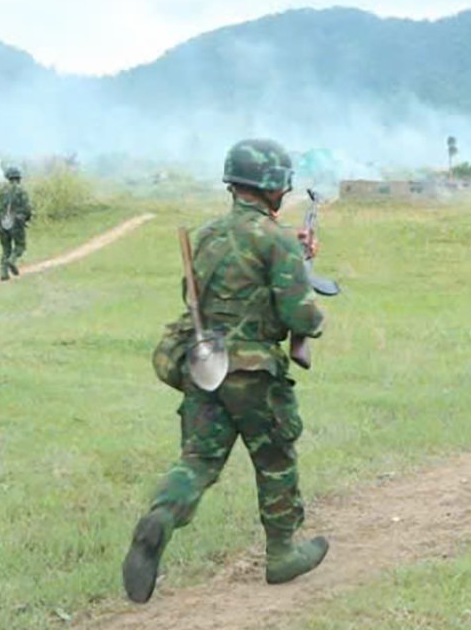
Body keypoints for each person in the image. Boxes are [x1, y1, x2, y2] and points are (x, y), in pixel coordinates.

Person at [123, 138, 330, 604]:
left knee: (197, 462)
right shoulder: (277, 241)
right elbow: (299, 315)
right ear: (275, 186)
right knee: (275, 461)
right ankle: (281, 554)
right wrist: (318, 319)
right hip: (255, 373)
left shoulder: (209, 236)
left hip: (206, 364)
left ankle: (160, 516)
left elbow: (191, 295)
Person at [0, 166, 33, 280]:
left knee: (6, 249)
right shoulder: (21, 190)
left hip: (2, 221)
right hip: (17, 222)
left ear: (8, 177)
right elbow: (27, 208)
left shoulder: (2, 191)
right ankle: (12, 260)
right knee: (20, 246)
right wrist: (27, 218)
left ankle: (4, 273)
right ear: (18, 177)